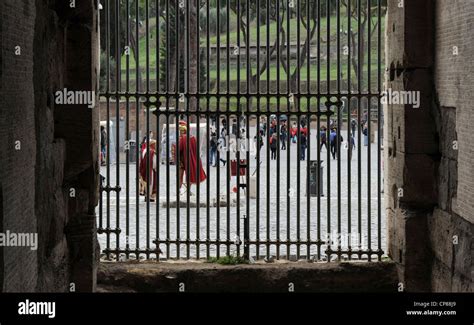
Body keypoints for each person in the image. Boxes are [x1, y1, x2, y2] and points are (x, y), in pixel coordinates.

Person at [177, 121, 207, 194]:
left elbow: (179, 149)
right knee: (189, 175)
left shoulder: (182, 138)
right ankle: (188, 190)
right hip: (190, 160)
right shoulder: (193, 138)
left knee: (180, 175)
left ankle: (179, 189)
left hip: (181, 160)